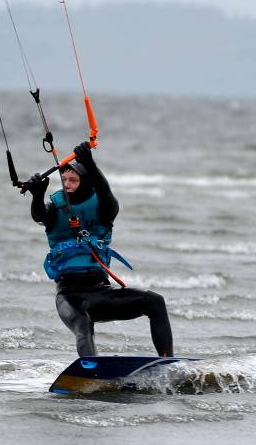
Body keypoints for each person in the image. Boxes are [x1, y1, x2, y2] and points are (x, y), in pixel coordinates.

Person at [23, 142, 173, 358]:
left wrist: (90, 164)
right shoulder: (55, 209)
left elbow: (105, 192)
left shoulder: (104, 210)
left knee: (155, 302)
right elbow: (39, 215)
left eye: (73, 180)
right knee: (83, 324)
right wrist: (37, 195)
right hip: (70, 297)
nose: (67, 184)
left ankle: (167, 362)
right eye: (64, 180)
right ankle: (91, 369)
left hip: (101, 292)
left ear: (85, 182)